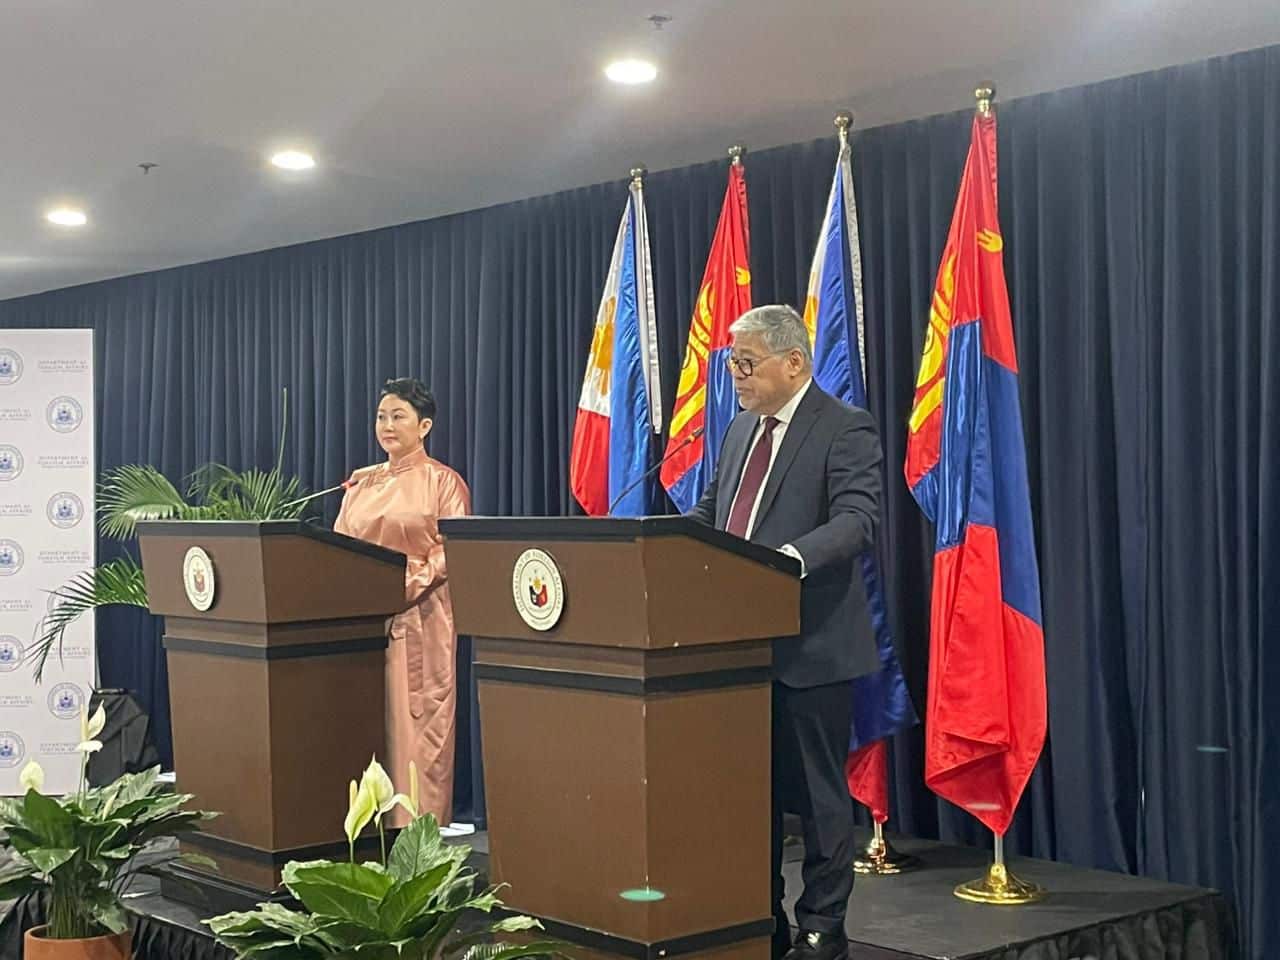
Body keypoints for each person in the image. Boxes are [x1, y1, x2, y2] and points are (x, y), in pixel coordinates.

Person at [688, 305, 882, 960]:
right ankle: (758, 917)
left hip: (811, 646)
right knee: (749, 796)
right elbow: (715, 512)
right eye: (731, 364)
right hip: (737, 648)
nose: (736, 376)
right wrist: (661, 540)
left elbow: (857, 521)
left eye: (746, 363)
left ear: (793, 361)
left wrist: (787, 560)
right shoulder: (740, 428)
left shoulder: (844, 427)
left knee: (821, 800)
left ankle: (822, 927)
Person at [335, 377, 471, 827]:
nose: (387, 426)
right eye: (381, 417)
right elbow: (339, 547)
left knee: (419, 728)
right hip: (360, 623)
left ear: (424, 426)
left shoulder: (443, 482)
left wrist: (397, 587)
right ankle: (363, 834)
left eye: (398, 416)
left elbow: (452, 551)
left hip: (420, 620)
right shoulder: (361, 483)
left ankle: (418, 837)